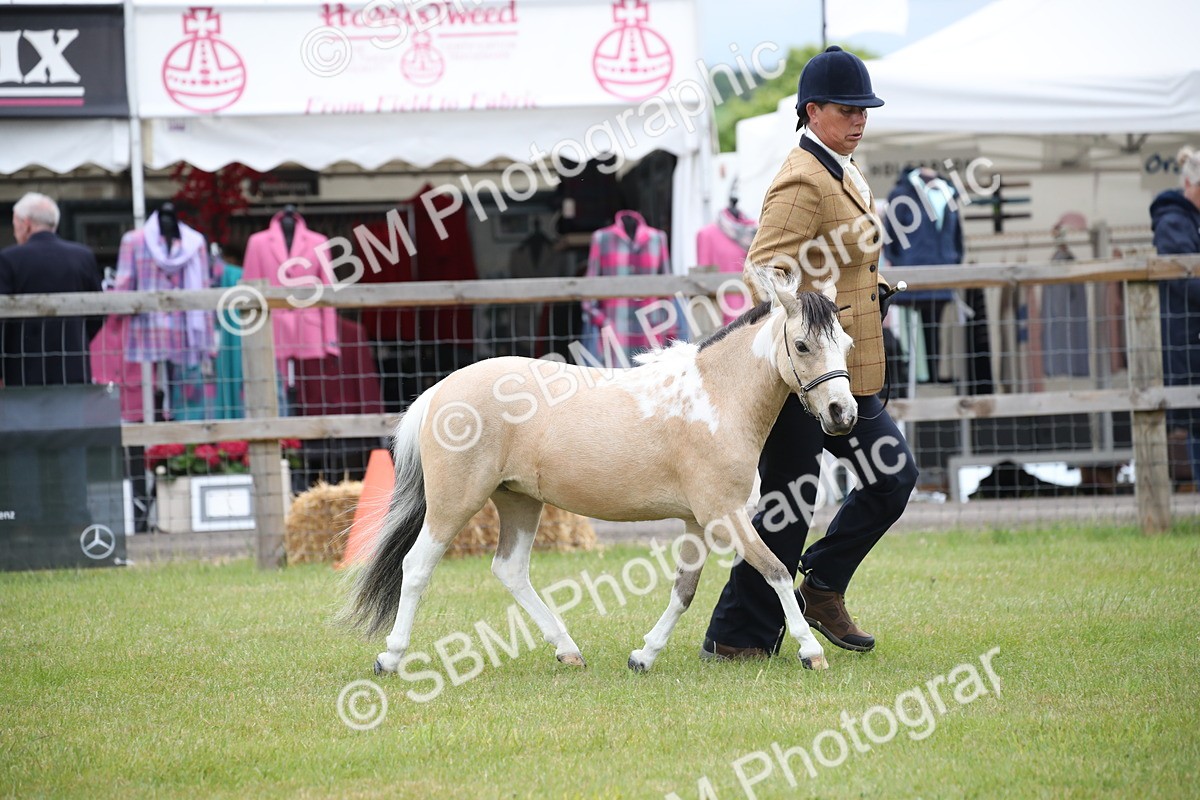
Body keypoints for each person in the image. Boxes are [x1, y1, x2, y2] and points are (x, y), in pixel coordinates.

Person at [701, 46, 919, 660]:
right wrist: (816, 315)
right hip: (806, 375)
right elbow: (763, 272)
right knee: (789, 505)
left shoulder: (844, 169)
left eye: (864, 109)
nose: (859, 119)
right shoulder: (802, 177)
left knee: (891, 477)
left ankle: (821, 587)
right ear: (812, 111)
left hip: (849, 372)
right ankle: (736, 640)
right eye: (847, 109)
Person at [0, 193, 102, 387]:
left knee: (25, 418)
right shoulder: (83, 256)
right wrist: (76, 338)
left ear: (26, 224)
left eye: (15, 226)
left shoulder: (8, 259)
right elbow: (98, 313)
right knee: (71, 417)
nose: (14, 233)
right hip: (73, 365)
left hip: (21, 371)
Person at [1150, 145, 1200, 489]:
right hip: (1189, 344)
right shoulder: (1173, 224)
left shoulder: (1186, 222)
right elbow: (1189, 283)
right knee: (1197, 424)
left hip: (1190, 340)